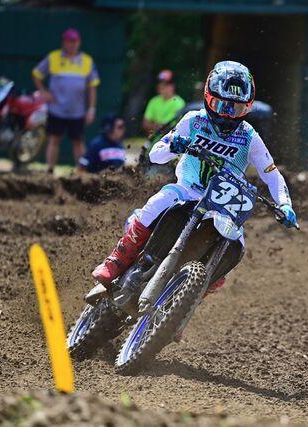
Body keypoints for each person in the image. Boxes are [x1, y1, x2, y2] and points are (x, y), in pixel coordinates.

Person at [92, 61, 297, 293]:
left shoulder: (249, 137)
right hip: (187, 189)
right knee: (158, 202)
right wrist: (174, 146)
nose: (228, 115)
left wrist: (284, 204)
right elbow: (155, 155)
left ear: (247, 108)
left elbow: (271, 174)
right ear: (209, 98)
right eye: (221, 105)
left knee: (237, 244)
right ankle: (116, 261)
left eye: (236, 109)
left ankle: (189, 300)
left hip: (222, 206)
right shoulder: (193, 120)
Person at [32, 28, 100, 174]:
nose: (72, 44)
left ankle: (82, 173)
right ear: (63, 42)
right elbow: (36, 74)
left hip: (77, 112)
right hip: (56, 109)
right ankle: (49, 171)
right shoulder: (53, 57)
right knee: (54, 139)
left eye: (75, 41)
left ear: (79, 43)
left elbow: (92, 87)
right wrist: (43, 91)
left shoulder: (87, 61)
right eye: (69, 41)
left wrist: (91, 109)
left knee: (78, 142)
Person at [142, 70, 186, 136]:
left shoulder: (179, 103)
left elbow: (173, 126)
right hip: (154, 140)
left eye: (165, 84)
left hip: (170, 140)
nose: (161, 86)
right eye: (160, 83)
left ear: (172, 85)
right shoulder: (154, 101)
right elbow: (145, 123)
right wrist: (159, 126)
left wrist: (155, 126)